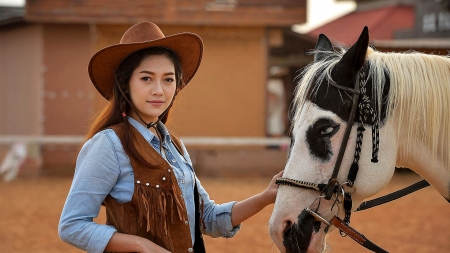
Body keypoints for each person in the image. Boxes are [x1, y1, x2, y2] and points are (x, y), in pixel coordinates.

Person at [58, 21, 282, 253]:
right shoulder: (109, 144)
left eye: (168, 79)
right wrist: (140, 245)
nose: (159, 90)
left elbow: (207, 218)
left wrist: (265, 197)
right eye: (146, 78)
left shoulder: (174, 146)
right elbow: (72, 226)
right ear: (125, 84)